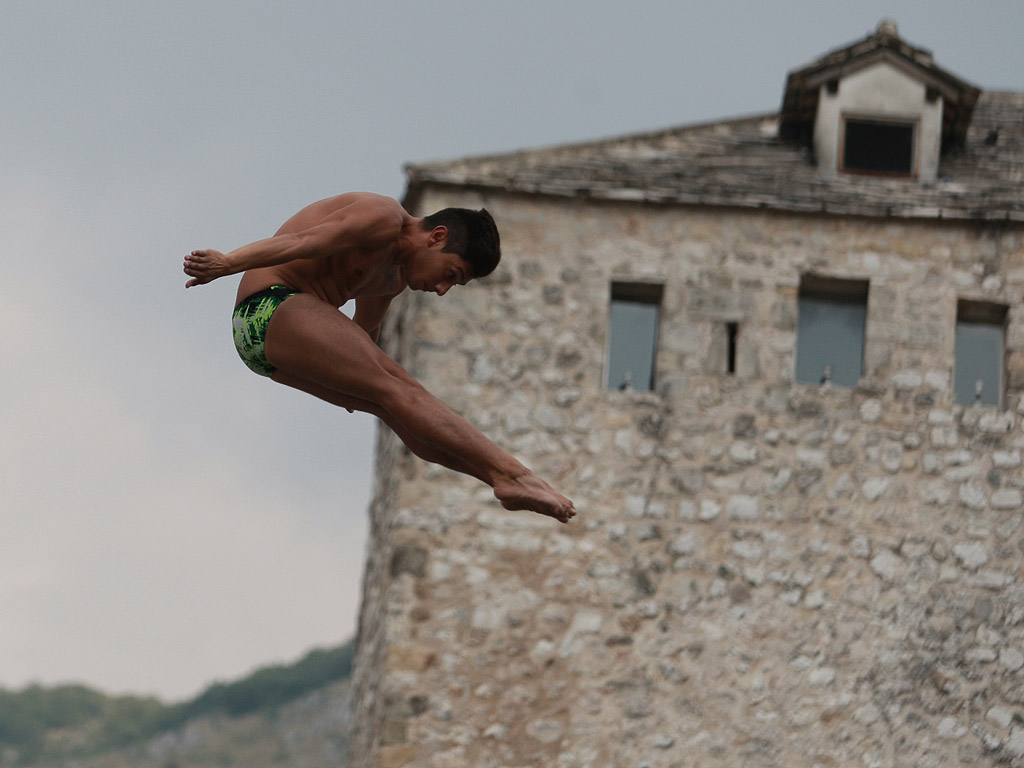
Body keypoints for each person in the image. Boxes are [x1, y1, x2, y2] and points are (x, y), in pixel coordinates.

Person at [184, 192, 576, 523]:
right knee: (400, 387)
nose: (442, 289)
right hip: (267, 307)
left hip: (267, 352)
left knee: (395, 408)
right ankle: (515, 473)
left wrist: (350, 379)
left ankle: (496, 481)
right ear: (436, 237)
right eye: (451, 274)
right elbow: (305, 242)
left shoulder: (393, 278)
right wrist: (228, 263)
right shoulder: (383, 218)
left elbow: (364, 335)